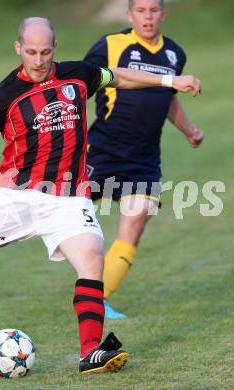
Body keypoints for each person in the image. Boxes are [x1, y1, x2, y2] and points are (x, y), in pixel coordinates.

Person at [0, 17, 201, 374]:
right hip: (15, 196)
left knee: (91, 256)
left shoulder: (77, 76)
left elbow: (118, 76)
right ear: (18, 48)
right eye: (32, 52)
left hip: (68, 198)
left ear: (55, 48)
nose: (39, 61)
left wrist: (170, 80)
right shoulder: (4, 96)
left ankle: (90, 352)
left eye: (46, 52)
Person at [84, 0, 204, 319]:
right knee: (58, 206)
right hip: (102, 152)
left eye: (154, 11)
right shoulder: (111, 46)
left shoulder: (174, 55)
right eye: (141, 10)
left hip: (144, 160)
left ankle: (98, 300)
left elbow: (169, 100)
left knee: (136, 219)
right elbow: (79, 86)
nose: (148, 17)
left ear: (163, 14)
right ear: (129, 15)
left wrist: (189, 130)